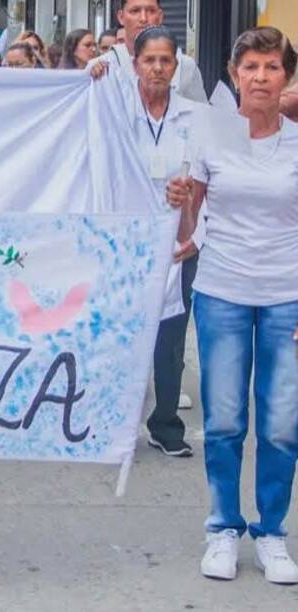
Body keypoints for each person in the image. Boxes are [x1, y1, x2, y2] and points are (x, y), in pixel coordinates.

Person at [170, 27, 298, 584]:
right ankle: (223, 527)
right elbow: (188, 227)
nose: (262, 78)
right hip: (221, 290)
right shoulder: (210, 136)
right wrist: (179, 205)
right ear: (233, 73)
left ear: (286, 77)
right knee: (224, 420)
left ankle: (272, 533)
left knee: (281, 425)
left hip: (287, 296)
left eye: (272, 67)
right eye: (252, 67)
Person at [123, 27, 203, 460]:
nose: (157, 68)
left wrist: (192, 220)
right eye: (149, 60)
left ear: (176, 66)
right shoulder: (115, 111)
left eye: (165, 60)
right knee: (121, 332)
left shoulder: (193, 117)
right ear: (135, 64)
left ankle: (166, 424)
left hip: (178, 238)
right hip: (124, 240)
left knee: (170, 339)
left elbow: (209, 177)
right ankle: (114, 422)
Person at [89, 0, 206, 102]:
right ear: (121, 17)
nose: (143, 18)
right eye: (135, 11)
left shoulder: (184, 66)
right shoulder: (100, 67)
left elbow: (200, 116)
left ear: (160, 17)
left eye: (151, 11)